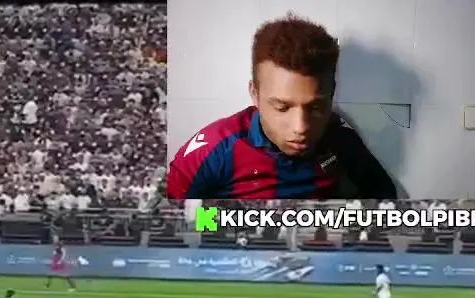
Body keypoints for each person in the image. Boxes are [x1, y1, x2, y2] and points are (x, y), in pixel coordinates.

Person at [166, 14, 396, 200]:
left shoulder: (341, 139)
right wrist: (227, 223)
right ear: (255, 94)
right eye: (282, 108)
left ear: (331, 94)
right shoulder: (212, 152)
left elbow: (385, 203)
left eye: (315, 107)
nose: (301, 128)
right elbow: (169, 219)